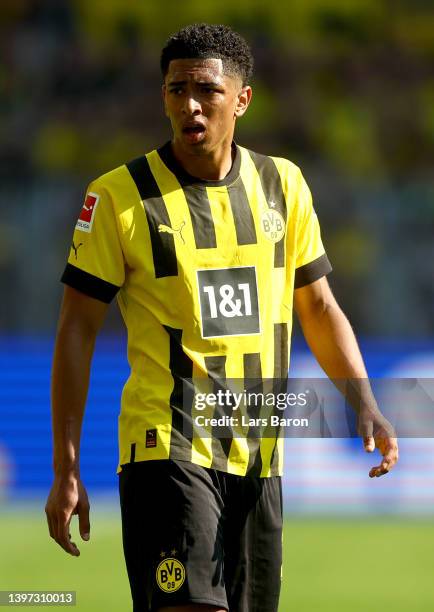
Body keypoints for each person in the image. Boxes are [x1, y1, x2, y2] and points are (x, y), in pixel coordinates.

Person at [45, 23, 398, 612]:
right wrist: (67, 466)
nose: (189, 104)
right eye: (175, 88)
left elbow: (319, 305)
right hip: (168, 444)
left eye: (206, 89)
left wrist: (363, 398)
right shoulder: (117, 197)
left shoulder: (283, 184)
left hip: (260, 452)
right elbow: (76, 329)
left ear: (242, 99)